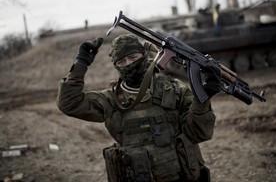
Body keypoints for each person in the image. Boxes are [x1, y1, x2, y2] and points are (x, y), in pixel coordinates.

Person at [56, 34, 221, 182]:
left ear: (145, 56)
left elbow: (199, 133)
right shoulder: (111, 100)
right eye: (121, 61)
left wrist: (202, 99)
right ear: (116, 66)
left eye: (133, 57)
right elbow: (68, 103)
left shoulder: (175, 89)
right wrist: (81, 63)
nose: (128, 64)